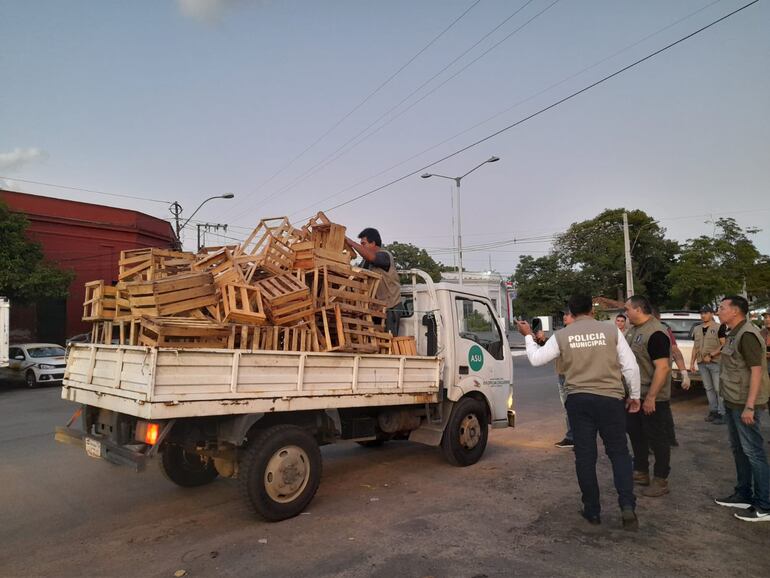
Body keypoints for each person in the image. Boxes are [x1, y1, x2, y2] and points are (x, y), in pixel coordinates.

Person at [517, 294, 641, 530]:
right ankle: (627, 506)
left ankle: (592, 510)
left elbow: (536, 359)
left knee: (585, 457)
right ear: (592, 311)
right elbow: (630, 366)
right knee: (619, 454)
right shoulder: (612, 331)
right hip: (610, 399)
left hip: (579, 400)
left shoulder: (562, 336)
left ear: (571, 313)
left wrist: (528, 338)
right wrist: (634, 396)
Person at [713, 296, 770, 522]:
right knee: (740, 450)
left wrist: (749, 406)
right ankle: (744, 494)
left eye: (722, 307)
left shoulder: (747, 334)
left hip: (745, 404)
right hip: (733, 400)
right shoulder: (733, 332)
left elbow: (756, 371)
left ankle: (765, 504)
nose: (719, 311)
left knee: (754, 453)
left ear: (735, 311)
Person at [624, 296, 673, 498]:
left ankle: (660, 479)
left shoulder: (656, 333)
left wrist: (651, 397)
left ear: (638, 309)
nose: (625, 313)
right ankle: (641, 472)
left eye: (627, 309)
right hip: (635, 395)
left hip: (652, 397)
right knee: (636, 435)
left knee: (658, 440)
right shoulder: (634, 330)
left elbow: (663, 367)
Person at [347, 228, 402, 336]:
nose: (362, 247)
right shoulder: (365, 262)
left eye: (364, 243)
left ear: (373, 243)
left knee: (388, 338)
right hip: (375, 308)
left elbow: (373, 258)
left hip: (390, 307)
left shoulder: (384, 255)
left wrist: (350, 242)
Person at [538, 310, 575, 449]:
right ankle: (573, 436)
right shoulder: (561, 334)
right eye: (564, 315)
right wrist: (542, 340)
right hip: (562, 374)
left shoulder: (572, 334)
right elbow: (553, 350)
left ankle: (576, 437)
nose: (565, 317)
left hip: (571, 375)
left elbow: (538, 358)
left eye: (568, 314)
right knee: (568, 407)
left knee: (573, 407)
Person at [690, 305, 727, 424]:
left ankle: (722, 413)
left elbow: (724, 345)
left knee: (718, 388)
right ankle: (713, 411)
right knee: (708, 388)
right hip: (701, 363)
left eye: (705, 313)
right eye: (701, 313)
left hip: (715, 362)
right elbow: (695, 347)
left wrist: (711, 355)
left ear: (712, 314)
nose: (703, 315)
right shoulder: (697, 329)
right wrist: (692, 362)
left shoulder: (719, 327)